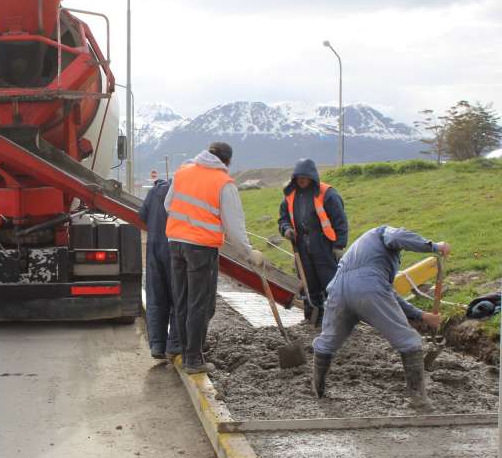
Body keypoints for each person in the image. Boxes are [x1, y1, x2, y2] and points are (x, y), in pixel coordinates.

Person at [311, 225, 450, 409]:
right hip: (368, 289)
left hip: (337, 291)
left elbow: (387, 292)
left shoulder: (360, 252)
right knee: (409, 341)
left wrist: (421, 315)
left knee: (328, 342)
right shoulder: (384, 231)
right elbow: (397, 238)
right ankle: (419, 399)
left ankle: (318, 390)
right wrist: (434, 246)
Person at [164, 142, 263, 374]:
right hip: (201, 249)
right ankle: (193, 359)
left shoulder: (183, 172)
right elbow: (234, 227)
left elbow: (168, 204)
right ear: (227, 161)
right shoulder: (223, 183)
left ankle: (187, 351)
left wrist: (187, 224)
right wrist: (248, 253)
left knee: (183, 300)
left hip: (176, 243)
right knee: (201, 304)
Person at [278, 158, 348, 325]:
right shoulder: (290, 196)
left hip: (324, 244)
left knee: (330, 283)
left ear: (312, 177)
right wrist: (286, 229)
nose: (301, 180)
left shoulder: (327, 194)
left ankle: (338, 320)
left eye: (305, 177)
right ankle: (311, 318)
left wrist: (339, 245)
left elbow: (340, 221)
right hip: (301, 245)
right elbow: (283, 219)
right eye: (299, 177)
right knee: (307, 284)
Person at [139, 173, 181, 360]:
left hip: (154, 249)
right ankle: (175, 344)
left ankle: (157, 345)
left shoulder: (154, 192)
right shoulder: (182, 191)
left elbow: (142, 215)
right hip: (175, 247)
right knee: (179, 298)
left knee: (156, 298)